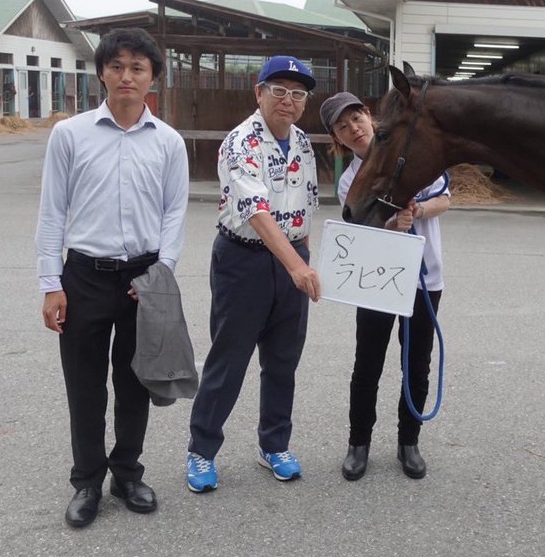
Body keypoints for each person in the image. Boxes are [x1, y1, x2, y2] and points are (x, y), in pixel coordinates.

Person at [34, 27, 189, 529]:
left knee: (135, 381)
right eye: (117, 66)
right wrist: (49, 283)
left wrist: (160, 273)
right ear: (102, 72)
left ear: (152, 79)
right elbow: (52, 212)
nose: (127, 76)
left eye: (137, 68)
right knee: (84, 385)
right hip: (83, 276)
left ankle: (128, 473)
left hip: (143, 276)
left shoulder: (168, 142)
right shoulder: (70, 134)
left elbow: (175, 212)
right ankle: (86, 481)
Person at [185, 55, 323, 493]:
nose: (288, 100)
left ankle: (274, 444)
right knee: (229, 360)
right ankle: (201, 451)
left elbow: (307, 206)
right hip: (244, 260)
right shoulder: (240, 141)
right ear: (258, 93)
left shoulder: (302, 141)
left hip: (292, 257)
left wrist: (305, 254)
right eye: (278, 90)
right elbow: (257, 212)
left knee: (283, 361)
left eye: (298, 93)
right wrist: (297, 264)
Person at [320, 91, 450, 481]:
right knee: (368, 363)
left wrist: (419, 210)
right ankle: (358, 443)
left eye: (356, 118)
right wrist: (393, 225)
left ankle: (408, 443)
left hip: (424, 279)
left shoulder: (414, 154)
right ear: (337, 140)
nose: (353, 129)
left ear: (371, 118)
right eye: (342, 127)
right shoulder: (349, 181)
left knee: (417, 362)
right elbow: (361, 229)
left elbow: (445, 198)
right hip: (376, 281)